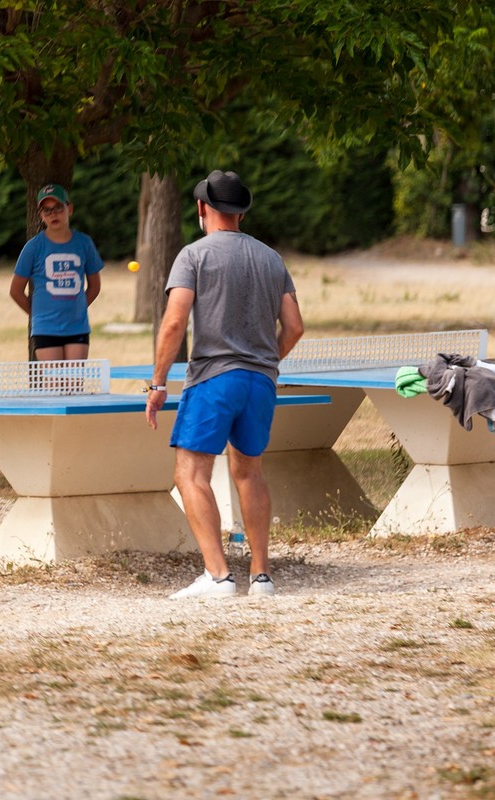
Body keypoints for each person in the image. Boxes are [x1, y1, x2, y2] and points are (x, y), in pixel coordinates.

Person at [145, 170, 304, 599]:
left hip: (214, 378)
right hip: (260, 381)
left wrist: (157, 383)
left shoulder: (193, 255)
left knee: (190, 473)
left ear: (202, 207)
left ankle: (218, 577)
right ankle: (262, 576)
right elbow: (294, 326)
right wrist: (265, 360)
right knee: (249, 473)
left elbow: (174, 321)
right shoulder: (271, 258)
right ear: (241, 212)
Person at [9, 184, 104, 361]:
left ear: (70, 209)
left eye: (58, 208)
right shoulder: (33, 247)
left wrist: (78, 309)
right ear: (40, 215)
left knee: (75, 379)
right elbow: (15, 290)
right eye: (47, 210)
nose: (53, 214)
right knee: (54, 379)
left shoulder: (84, 243)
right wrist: (37, 315)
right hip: (46, 328)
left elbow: (95, 286)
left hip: (77, 326)